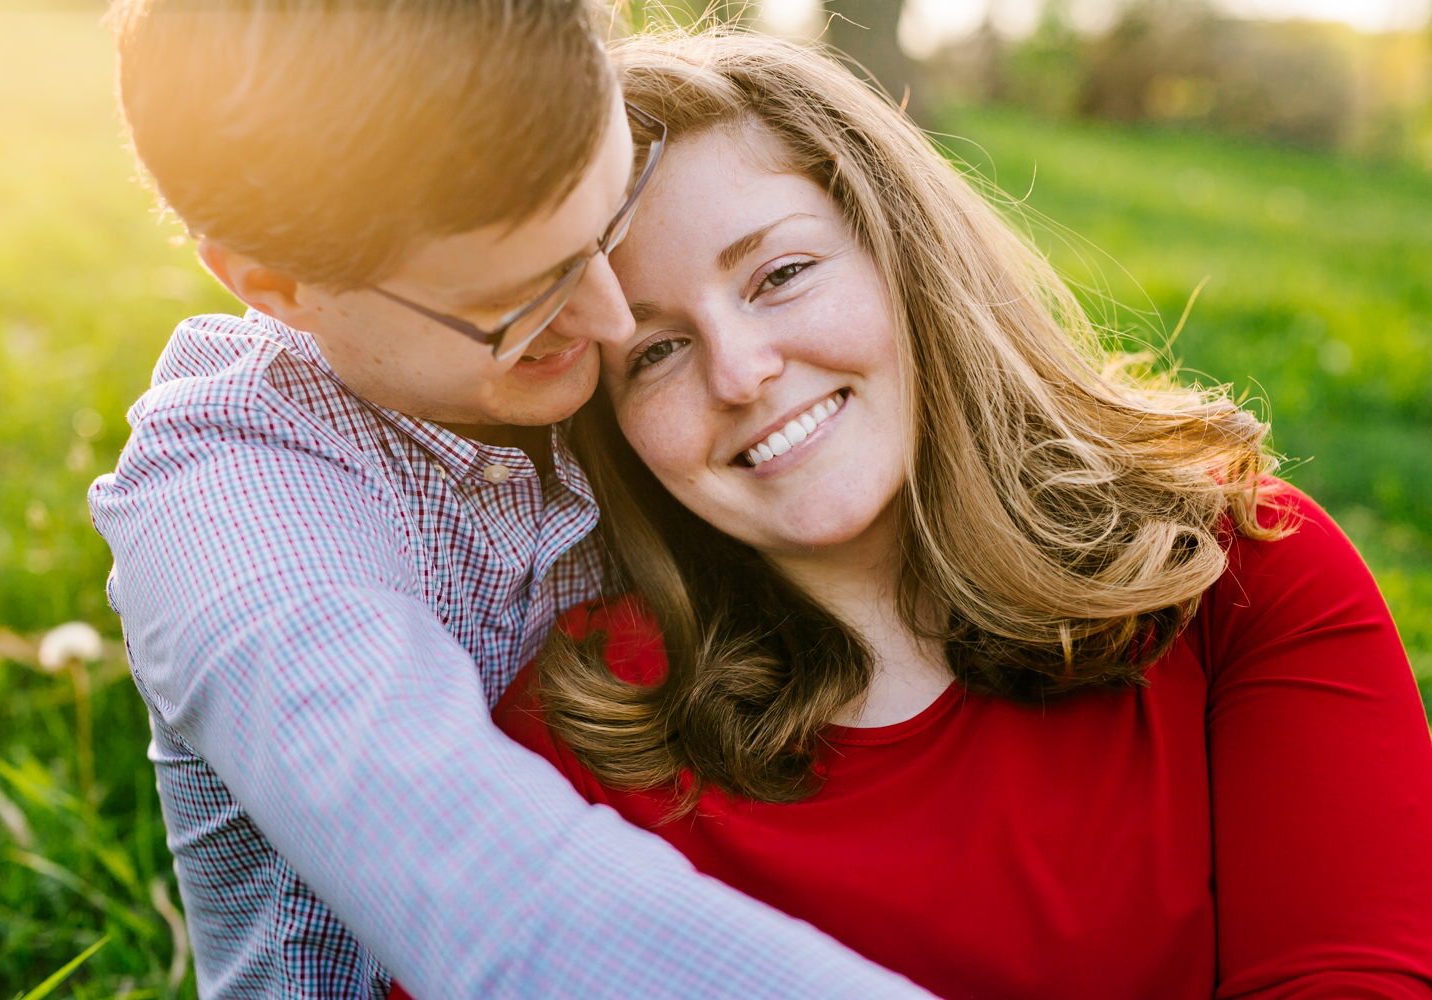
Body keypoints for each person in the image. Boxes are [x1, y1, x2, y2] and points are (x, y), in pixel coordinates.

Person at [444, 30, 1432, 1000]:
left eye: (780, 275)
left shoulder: (1234, 567)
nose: (741, 374)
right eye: (653, 352)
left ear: (905, 255)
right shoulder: (581, 736)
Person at [89, 3, 934, 998]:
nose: (612, 319)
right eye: (523, 298)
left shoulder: (633, 353)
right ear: (275, 286)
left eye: (606, 221)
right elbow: (495, 900)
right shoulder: (227, 506)